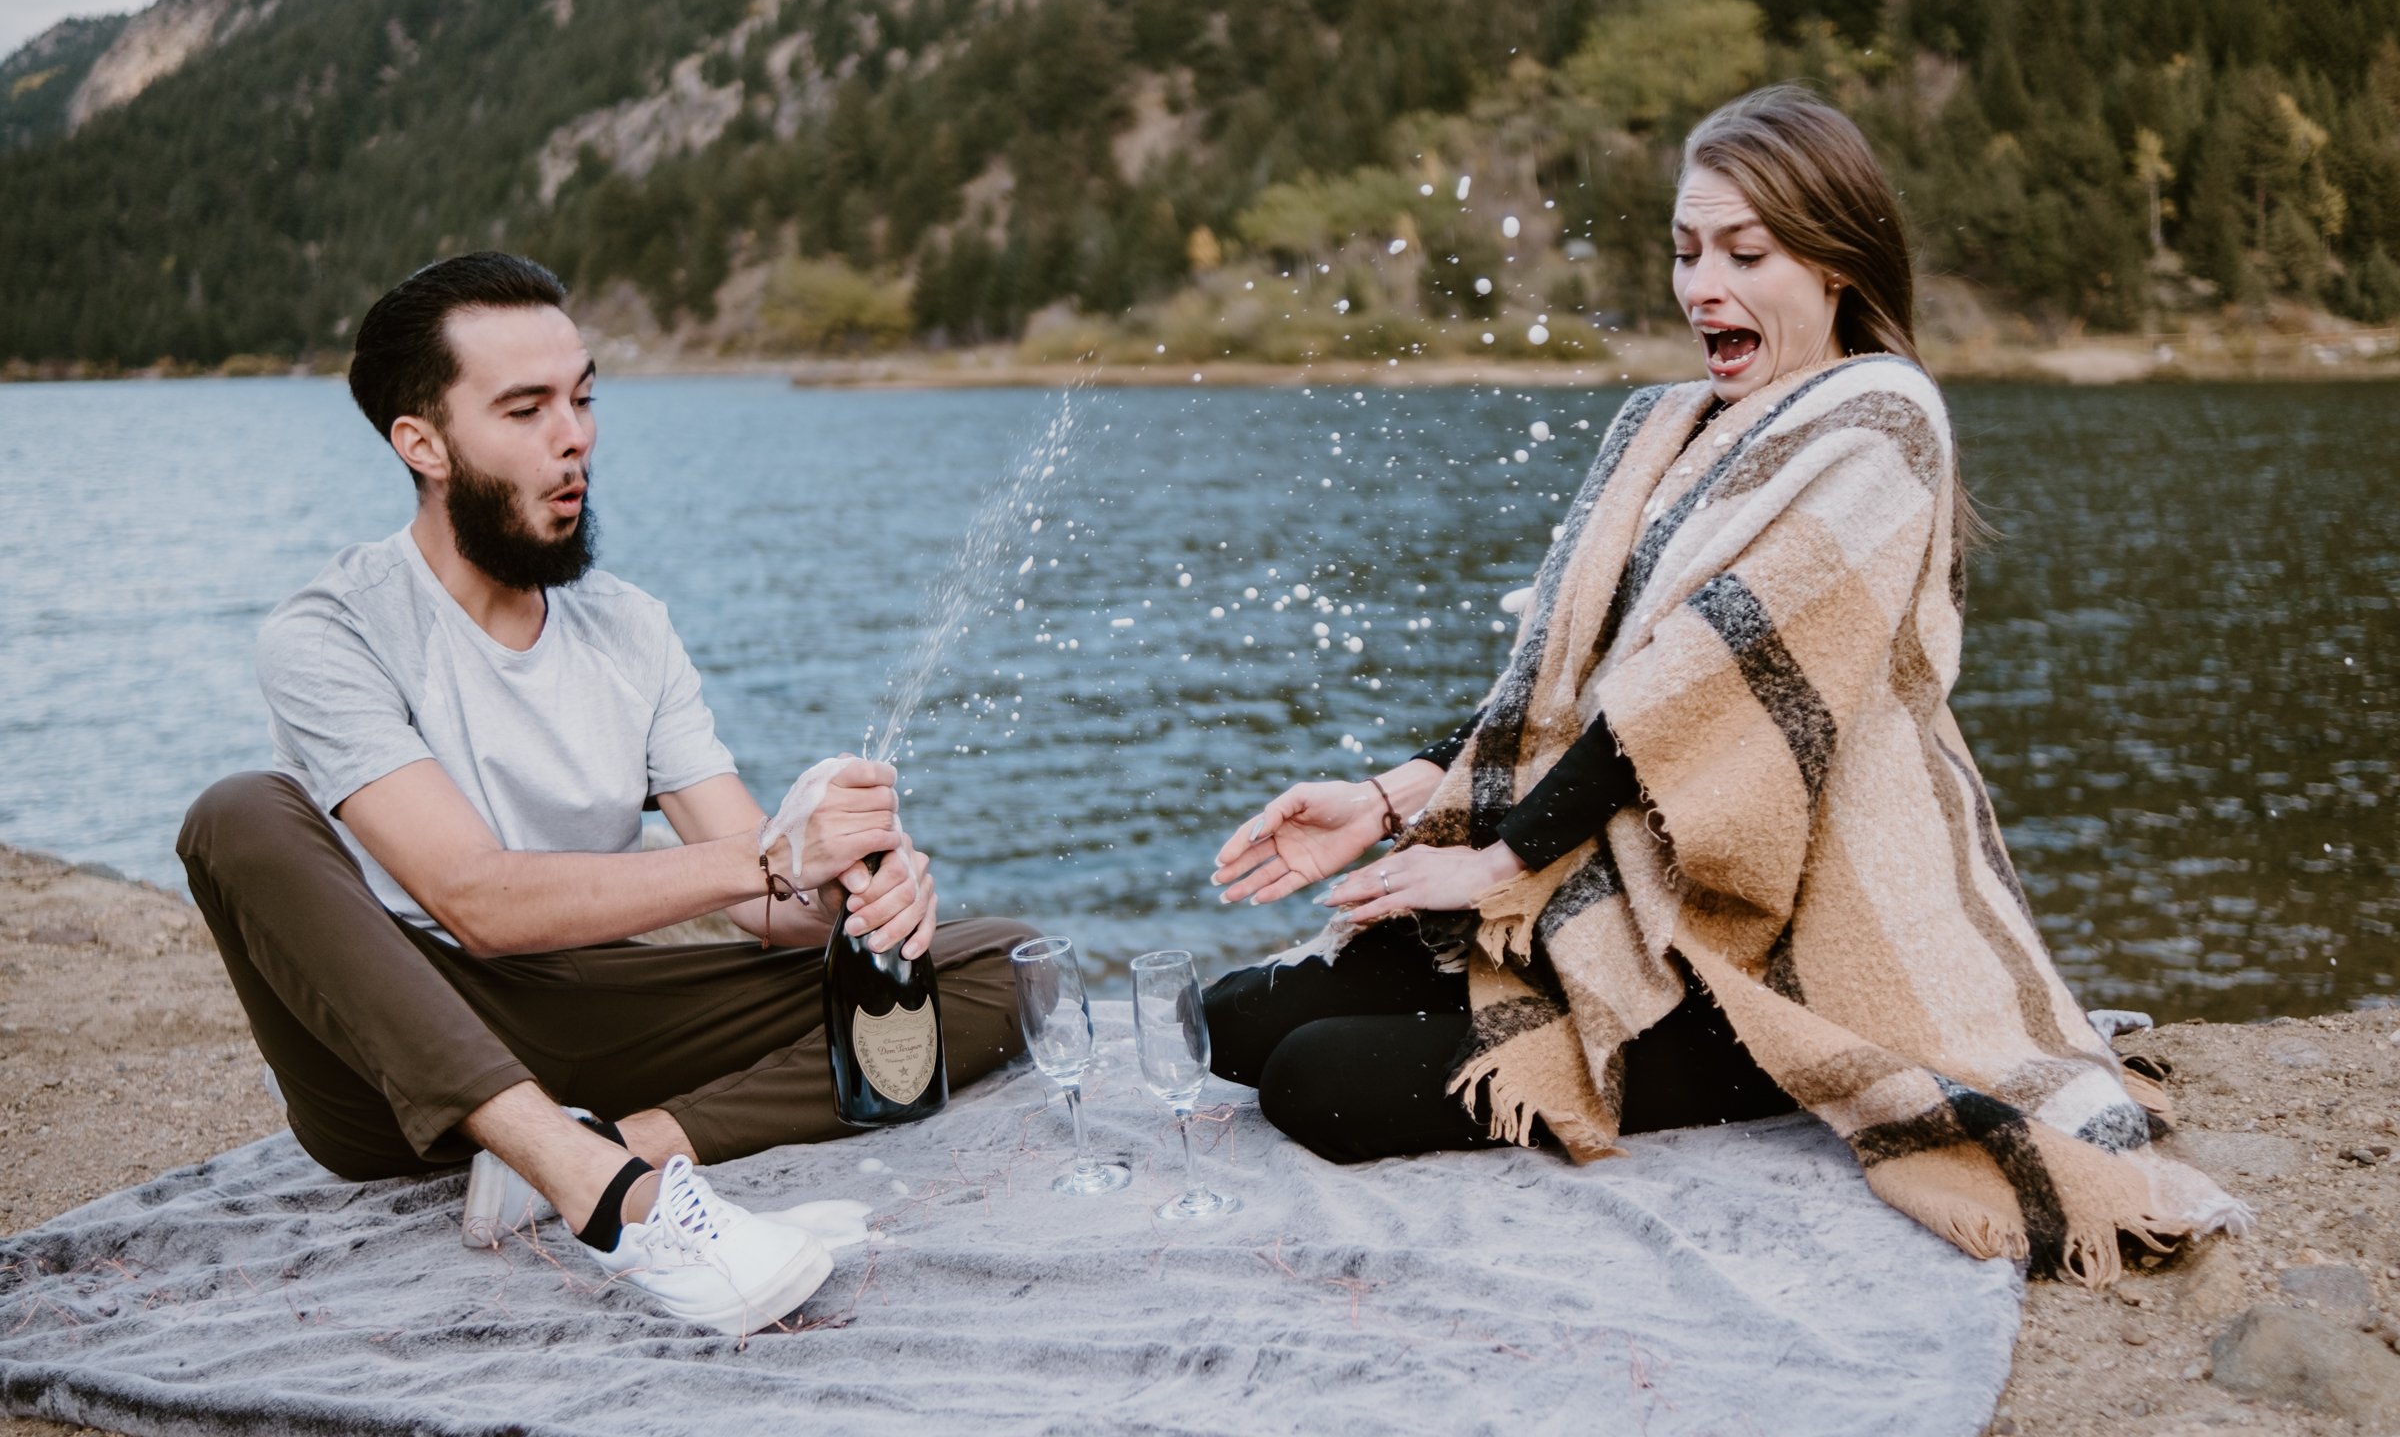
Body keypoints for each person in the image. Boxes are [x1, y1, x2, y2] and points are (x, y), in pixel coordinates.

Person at [1205, 86, 2243, 1283]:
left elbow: (1701, 689)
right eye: (1689, 252)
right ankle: (1591, 997)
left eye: (1747, 254)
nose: (1705, 287)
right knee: (1239, 1017)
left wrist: (1497, 863)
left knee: (1314, 1083)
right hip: (1623, 874)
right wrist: (1390, 798)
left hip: (1778, 931)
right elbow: (1577, 692)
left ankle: (1757, 1060)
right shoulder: (1677, 430)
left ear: (1838, 265)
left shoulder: (1881, 425)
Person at [176, 252, 1036, 1335]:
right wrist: (766, 854)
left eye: (582, 399)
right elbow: (474, 903)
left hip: (592, 1014)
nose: (574, 436)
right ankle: (599, 1189)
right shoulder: (331, 631)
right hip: (394, 1054)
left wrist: (853, 883)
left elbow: (771, 907)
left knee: (998, 966)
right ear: (423, 443)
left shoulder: (632, 628)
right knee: (237, 812)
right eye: (527, 408)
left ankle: (619, 1148)